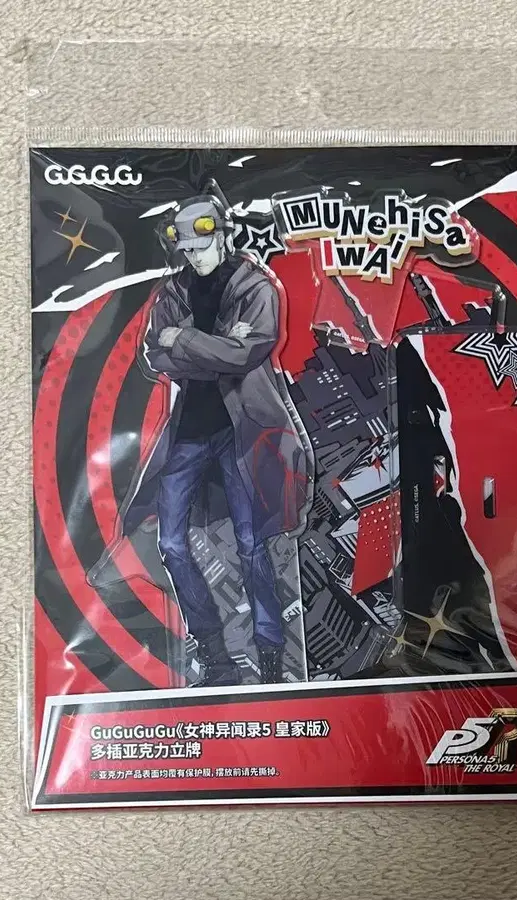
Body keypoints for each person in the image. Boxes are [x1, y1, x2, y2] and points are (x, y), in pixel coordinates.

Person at [122, 192, 309, 686]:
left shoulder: (255, 287)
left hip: (241, 430)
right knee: (170, 542)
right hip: (189, 430)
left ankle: (270, 654)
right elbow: (153, 355)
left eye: (201, 246)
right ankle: (213, 653)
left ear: (222, 236)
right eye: (186, 249)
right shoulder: (174, 290)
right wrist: (216, 348)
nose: (194, 257)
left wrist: (183, 339)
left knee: (251, 545)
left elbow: (247, 354)